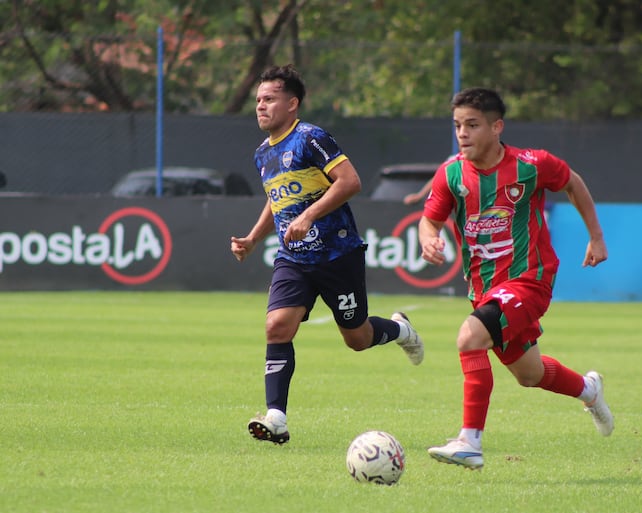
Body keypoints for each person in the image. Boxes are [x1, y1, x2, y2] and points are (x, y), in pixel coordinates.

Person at [418, 87, 613, 470]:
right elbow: (430, 219)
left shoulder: (531, 165)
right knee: (530, 374)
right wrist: (429, 239)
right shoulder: (451, 174)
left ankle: (469, 442)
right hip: (484, 291)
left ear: (496, 127)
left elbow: (572, 182)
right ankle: (589, 390)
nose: (462, 133)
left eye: (472, 125)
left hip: (530, 279)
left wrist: (596, 236)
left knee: (469, 337)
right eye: (458, 125)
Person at [230, 64, 424, 444]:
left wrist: (309, 214)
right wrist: (254, 238)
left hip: (338, 255)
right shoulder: (262, 155)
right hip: (294, 258)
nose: (260, 106)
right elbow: (276, 201)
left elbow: (350, 181)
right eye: (257, 100)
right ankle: (276, 417)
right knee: (276, 326)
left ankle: (400, 330)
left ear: (292, 103)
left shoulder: (310, 137)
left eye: (269, 99)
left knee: (357, 338)